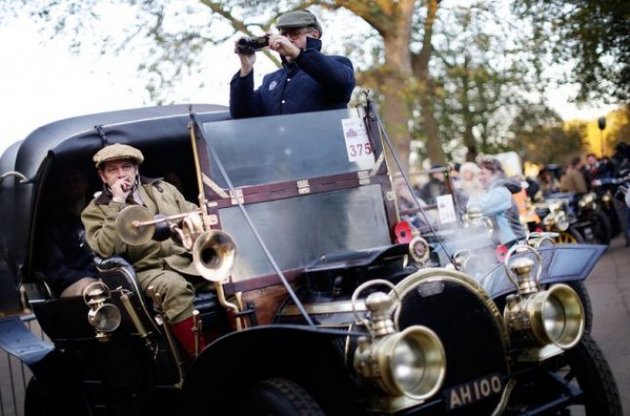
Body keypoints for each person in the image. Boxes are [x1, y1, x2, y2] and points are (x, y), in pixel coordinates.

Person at [81, 144, 204, 358]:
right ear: (102, 175)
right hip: (146, 272)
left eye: (126, 167)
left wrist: (196, 219)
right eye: (112, 170)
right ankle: (202, 359)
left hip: (183, 261)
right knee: (173, 287)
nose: (121, 174)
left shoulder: (164, 189)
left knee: (228, 274)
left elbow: (194, 212)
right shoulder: (94, 211)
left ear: (136, 169)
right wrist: (117, 203)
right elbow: (105, 249)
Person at [229, 9, 355, 119]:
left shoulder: (339, 63)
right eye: (284, 34)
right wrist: (246, 67)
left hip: (323, 146)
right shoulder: (270, 81)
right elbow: (242, 115)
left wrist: (297, 54)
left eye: (294, 34)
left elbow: (340, 81)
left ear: (314, 35)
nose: (288, 39)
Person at [42, 168, 98, 297]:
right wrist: (93, 278)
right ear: (62, 189)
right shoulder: (54, 226)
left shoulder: (101, 215)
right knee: (94, 288)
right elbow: (57, 271)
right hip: (74, 285)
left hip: (106, 277)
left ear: (85, 183)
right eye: (66, 182)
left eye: (76, 180)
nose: (72, 184)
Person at [466, 156, 526, 247]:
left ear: (495, 174)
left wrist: (473, 190)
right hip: (506, 243)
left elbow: (476, 209)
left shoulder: (500, 192)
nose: (479, 178)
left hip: (514, 244)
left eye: (483, 173)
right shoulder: (492, 191)